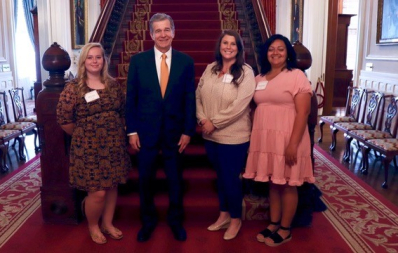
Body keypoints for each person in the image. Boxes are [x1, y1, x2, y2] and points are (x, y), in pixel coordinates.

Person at [125, 13, 196, 242]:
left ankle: (175, 221)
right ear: (151, 34)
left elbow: (189, 98)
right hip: (145, 133)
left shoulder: (186, 62)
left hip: (175, 133)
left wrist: (188, 130)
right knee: (145, 180)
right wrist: (132, 131)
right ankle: (148, 222)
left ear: (173, 32)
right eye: (158, 30)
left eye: (167, 30)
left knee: (175, 179)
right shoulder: (138, 61)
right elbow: (131, 98)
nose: (163, 34)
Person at [243, 34, 315, 247]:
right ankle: (274, 223)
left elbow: (303, 114)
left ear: (287, 53)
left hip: (288, 138)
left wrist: (293, 143)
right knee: (274, 183)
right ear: (266, 53)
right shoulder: (259, 78)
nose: (276, 52)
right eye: (271, 49)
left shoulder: (296, 76)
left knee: (289, 185)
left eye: (280, 49)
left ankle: (285, 229)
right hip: (266, 140)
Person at [57, 43, 131, 244]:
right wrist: (86, 135)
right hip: (88, 149)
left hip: (114, 145)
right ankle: (93, 225)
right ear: (83, 61)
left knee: (112, 185)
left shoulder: (113, 85)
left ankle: (107, 223)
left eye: (98, 57)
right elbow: (65, 120)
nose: (95, 61)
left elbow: (123, 113)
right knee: (97, 192)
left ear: (104, 60)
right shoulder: (73, 88)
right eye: (90, 57)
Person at [196, 30, 255, 240]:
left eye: (233, 44)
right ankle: (223, 215)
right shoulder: (211, 68)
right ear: (219, 46)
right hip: (210, 137)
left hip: (234, 137)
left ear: (239, 48)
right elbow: (198, 96)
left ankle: (236, 219)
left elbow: (240, 105)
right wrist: (203, 120)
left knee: (230, 179)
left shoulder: (246, 72)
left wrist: (215, 122)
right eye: (225, 43)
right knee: (220, 178)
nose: (228, 47)